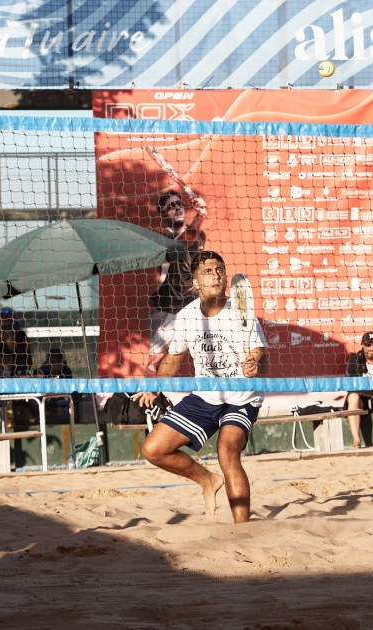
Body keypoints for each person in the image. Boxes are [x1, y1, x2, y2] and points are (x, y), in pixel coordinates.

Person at [135, 251, 268, 524]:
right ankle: (207, 480)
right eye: (208, 271)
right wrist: (154, 387)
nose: (216, 275)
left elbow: (261, 359)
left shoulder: (241, 314)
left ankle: (243, 532)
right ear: (195, 281)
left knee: (226, 451)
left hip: (242, 397)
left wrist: (255, 363)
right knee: (153, 449)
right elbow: (171, 361)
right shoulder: (186, 317)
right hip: (206, 396)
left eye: (220, 270)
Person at [147, 190, 207, 376]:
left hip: (194, 305)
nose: (177, 208)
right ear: (163, 214)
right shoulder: (159, 237)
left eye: (179, 204)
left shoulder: (199, 234)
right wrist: (201, 215)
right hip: (167, 306)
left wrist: (200, 217)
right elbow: (184, 242)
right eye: (170, 206)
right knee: (153, 358)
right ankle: (151, 395)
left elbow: (192, 238)